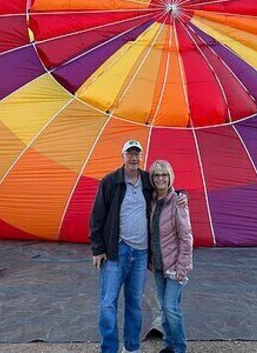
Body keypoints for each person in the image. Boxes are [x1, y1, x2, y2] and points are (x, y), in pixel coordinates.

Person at [90, 139, 153, 353]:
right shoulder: (110, 182)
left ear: (141, 157)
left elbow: (167, 191)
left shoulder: (148, 181)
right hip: (117, 251)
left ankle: (132, 348)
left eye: (137, 153)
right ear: (122, 156)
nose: (133, 157)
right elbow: (97, 216)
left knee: (134, 303)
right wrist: (98, 249)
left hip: (141, 252)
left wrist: (182, 197)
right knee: (108, 302)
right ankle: (109, 349)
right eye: (129, 153)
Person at [148, 159, 193, 353]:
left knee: (170, 308)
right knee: (164, 308)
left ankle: (180, 347)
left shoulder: (178, 201)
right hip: (158, 266)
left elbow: (186, 236)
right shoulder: (150, 201)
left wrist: (182, 267)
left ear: (170, 177)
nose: (161, 179)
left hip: (175, 266)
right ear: (152, 178)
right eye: (157, 175)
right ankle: (168, 346)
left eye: (164, 175)